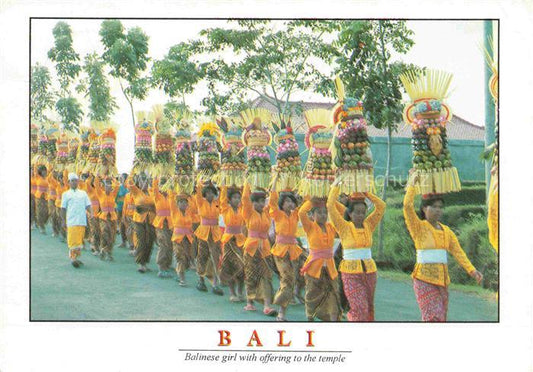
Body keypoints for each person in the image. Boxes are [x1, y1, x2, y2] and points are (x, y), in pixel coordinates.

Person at [403, 171, 483, 322]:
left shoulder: (447, 232)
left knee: (441, 319)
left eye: (440, 207)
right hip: (423, 280)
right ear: (424, 209)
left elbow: (459, 253)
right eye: (433, 206)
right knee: (433, 317)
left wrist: (472, 271)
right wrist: (413, 181)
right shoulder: (418, 227)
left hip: (443, 282)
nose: (438, 210)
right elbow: (407, 206)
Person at [327, 180, 386, 321]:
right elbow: (330, 205)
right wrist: (336, 186)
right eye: (357, 212)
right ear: (350, 213)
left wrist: (365, 193)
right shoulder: (344, 227)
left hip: (370, 271)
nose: (360, 215)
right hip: (350, 273)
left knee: (368, 306)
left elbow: (381, 206)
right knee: (359, 307)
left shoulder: (369, 225)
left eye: (363, 212)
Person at [299, 198, 341, 321]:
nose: (323, 215)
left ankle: (334, 318)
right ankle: (310, 317)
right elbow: (301, 212)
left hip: (330, 267)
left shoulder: (331, 227)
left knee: (333, 292)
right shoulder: (310, 227)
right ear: (312, 215)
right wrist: (313, 201)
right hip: (314, 267)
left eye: (325, 212)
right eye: (319, 212)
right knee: (312, 293)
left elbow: (343, 212)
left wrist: (330, 201)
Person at [241, 182, 277, 317]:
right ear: (253, 202)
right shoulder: (249, 212)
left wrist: (273, 185)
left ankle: (267, 305)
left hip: (265, 248)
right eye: (258, 202)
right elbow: (245, 199)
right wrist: (248, 181)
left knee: (266, 275)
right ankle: (250, 301)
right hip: (251, 248)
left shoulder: (267, 213)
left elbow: (273, 200)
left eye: (263, 201)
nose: (261, 204)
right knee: (251, 274)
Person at [269, 179, 302, 321]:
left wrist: (306, 184)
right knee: (287, 278)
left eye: (292, 201)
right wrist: (275, 180)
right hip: (280, 251)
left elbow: (305, 203)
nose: (290, 204)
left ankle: (281, 307)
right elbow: (272, 200)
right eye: (287, 201)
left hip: (293, 251)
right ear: (282, 204)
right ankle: (281, 312)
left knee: (291, 280)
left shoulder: (295, 214)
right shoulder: (277, 214)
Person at [194, 182, 223, 295]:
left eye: (212, 192)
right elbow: (198, 192)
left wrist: (223, 183)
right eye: (208, 193)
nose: (210, 195)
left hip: (215, 232)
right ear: (205, 194)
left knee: (216, 257)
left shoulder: (217, 203)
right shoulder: (201, 202)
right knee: (202, 255)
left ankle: (215, 283)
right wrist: (201, 182)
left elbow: (223, 197)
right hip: (203, 232)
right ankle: (201, 280)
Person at [219, 185, 246, 303]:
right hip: (228, 241)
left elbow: (246, 198)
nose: (237, 200)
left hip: (240, 241)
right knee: (229, 266)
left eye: (238, 198)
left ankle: (240, 291)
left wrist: (245, 184)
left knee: (242, 266)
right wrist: (224, 182)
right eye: (234, 197)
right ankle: (232, 293)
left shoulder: (242, 210)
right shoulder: (225, 209)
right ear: (229, 199)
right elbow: (222, 198)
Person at [61, 173, 92, 268]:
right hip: (71, 221)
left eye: (76, 180)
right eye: (72, 181)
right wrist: (63, 220)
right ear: (69, 182)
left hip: (81, 220)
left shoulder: (83, 193)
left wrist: (91, 213)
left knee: (79, 240)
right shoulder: (66, 194)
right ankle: (73, 258)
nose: (74, 182)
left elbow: (88, 205)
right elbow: (63, 208)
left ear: (78, 182)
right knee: (72, 240)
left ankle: (76, 257)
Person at [126, 173, 156, 273]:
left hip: (151, 220)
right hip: (139, 221)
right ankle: (140, 263)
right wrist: (135, 172)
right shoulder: (136, 192)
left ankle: (145, 262)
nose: (145, 183)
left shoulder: (152, 192)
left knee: (150, 241)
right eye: (143, 181)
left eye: (146, 181)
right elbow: (129, 183)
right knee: (141, 241)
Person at [169, 189, 195, 286]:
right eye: (181, 202)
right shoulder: (174, 211)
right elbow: (171, 198)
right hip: (177, 239)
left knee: (187, 258)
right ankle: (182, 278)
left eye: (185, 202)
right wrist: (172, 186)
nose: (184, 204)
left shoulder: (189, 212)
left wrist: (189, 194)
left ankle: (179, 272)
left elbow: (193, 203)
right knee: (180, 258)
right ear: (177, 204)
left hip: (188, 239)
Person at [152, 178, 174, 278]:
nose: (164, 188)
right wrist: (157, 175)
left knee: (170, 245)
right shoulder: (157, 196)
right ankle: (161, 267)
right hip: (160, 224)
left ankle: (167, 264)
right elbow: (154, 187)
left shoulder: (171, 196)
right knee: (163, 244)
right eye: (162, 185)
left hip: (170, 224)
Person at [94, 176, 120, 261]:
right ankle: (103, 248)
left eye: (110, 186)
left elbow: (117, 186)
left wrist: (113, 179)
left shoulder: (113, 194)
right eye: (107, 186)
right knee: (105, 232)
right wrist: (98, 177)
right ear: (104, 187)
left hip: (112, 217)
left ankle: (107, 252)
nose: (109, 188)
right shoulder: (100, 193)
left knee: (111, 235)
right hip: (103, 217)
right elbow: (96, 185)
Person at [83, 174, 101, 255]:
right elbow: (87, 183)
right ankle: (94, 246)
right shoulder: (90, 190)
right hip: (91, 213)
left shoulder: (99, 190)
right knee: (93, 229)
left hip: (99, 214)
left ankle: (93, 243)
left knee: (96, 230)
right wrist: (92, 176)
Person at [34, 165, 49, 234]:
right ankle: (41, 227)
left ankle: (42, 222)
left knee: (46, 212)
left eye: (45, 171)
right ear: (40, 172)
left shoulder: (47, 178)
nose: (44, 172)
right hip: (39, 197)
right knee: (40, 212)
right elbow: (35, 170)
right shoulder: (37, 177)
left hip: (45, 196)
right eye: (43, 171)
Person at [116, 173, 129, 248]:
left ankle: (131, 243)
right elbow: (116, 198)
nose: (121, 179)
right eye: (120, 178)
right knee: (121, 225)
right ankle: (123, 242)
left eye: (123, 178)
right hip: (120, 209)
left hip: (128, 210)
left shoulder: (129, 187)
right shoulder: (118, 187)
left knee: (128, 225)